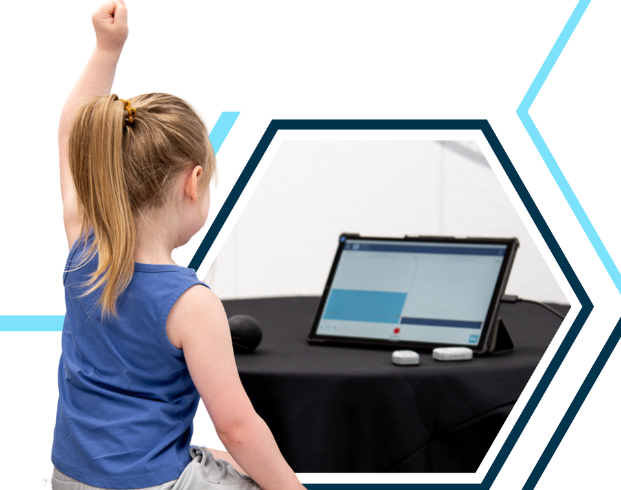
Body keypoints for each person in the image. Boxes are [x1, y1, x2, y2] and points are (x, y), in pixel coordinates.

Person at [52, 2, 305, 489]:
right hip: (151, 484)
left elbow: (69, 137)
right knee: (261, 472)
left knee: (207, 452)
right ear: (193, 183)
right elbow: (238, 427)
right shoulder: (191, 303)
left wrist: (107, 49)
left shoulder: (83, 249)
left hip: (69, 478)